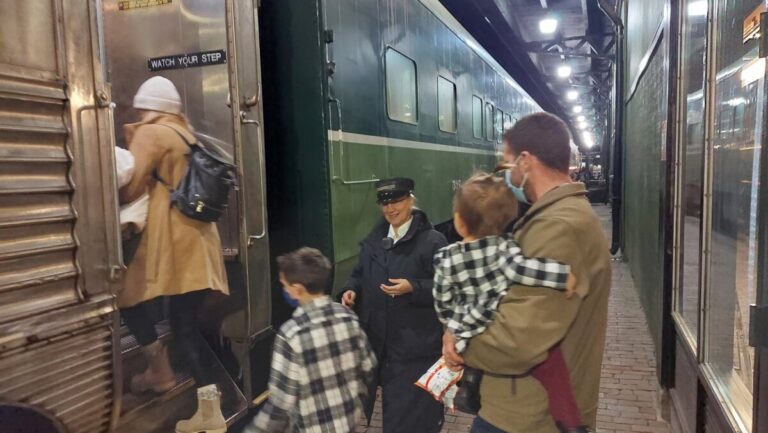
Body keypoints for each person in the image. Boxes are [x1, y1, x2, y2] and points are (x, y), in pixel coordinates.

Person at [443, 112, 612, 433]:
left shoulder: (558, 227)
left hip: (527, 417)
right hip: (531, 409)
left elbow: (518, 341)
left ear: (525, 160)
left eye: (509, 161)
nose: (507, 173)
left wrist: (461, 341)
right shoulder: (559, 218)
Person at [423, 173, 584, 432]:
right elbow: (531, 270)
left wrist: (450, 327)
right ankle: (571, 422)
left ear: (459, 222)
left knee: (467, 366)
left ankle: (469, 392)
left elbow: (442, 299)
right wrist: (563, 276)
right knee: (552, 366)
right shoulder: (505, 252)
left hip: (465, 333)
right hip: (494, 324)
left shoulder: (445, 258)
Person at [118, 76, 229, 432]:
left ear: (147, 107)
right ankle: (206, 408)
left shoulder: (152, 134)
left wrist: (131, 139)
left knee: (127, 296)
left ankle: (163, 371)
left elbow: (130, 186)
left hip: (172, 243)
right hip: (198, 242)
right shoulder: (186, 133)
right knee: (184, 324)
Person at [340, 178, 447, 433]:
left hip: (416, 350)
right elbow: (358, 273)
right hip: (382, 347)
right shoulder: (374, 240)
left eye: (397, 201)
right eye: (385, 204)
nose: (391, 209)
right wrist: (350, 290)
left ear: (411, 200)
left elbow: (448, 288)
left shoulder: (433, 241)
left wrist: (414, 287)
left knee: (410, 419)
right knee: (394, 415)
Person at [247, 247, 377, 433]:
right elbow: (368, 367)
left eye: (285, 285)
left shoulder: (291, 334)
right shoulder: (347, 317)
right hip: (347, 423)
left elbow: (280, 404)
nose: (284, 290)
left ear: (298, 289)